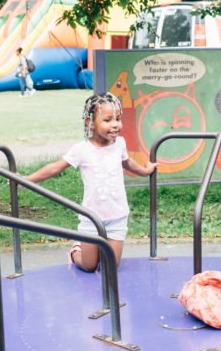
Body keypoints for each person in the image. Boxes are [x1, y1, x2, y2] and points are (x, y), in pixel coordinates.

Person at [27, 93, 157, 272]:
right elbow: (55, 168)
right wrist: (26, 180)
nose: (115, 125)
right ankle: (75, 251)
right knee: (89, 266)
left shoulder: (119, 144)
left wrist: (145, 170)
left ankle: (102, 250)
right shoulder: (82, 150)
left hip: (117, 215)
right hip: (91, 217)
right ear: (90, 123)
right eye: (107, 120)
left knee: (110, 267)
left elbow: (127, 162)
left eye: (118, 119)